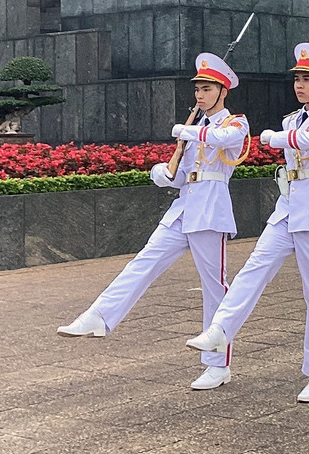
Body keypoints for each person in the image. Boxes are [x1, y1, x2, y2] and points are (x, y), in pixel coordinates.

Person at [57, 52, 248, 392]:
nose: (200, 95)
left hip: (210, 210)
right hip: (184, 206)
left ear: (223, 91)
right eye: (198, 89)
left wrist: (187, 132)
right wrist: (163, 174)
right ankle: (99, 316)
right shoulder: (196, 129)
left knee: (214, 287)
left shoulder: (234, 124)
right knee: (144, 261)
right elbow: (181, 176)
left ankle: (218, 366)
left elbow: (224, 142)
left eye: (207, 88)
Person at [186, 43, 309, 403]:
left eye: (308, 79)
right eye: (298, 79)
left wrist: (276, 138)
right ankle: (220, 329)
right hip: (288, 206)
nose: (300, 85)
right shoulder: (292, 118)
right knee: (253, 269)